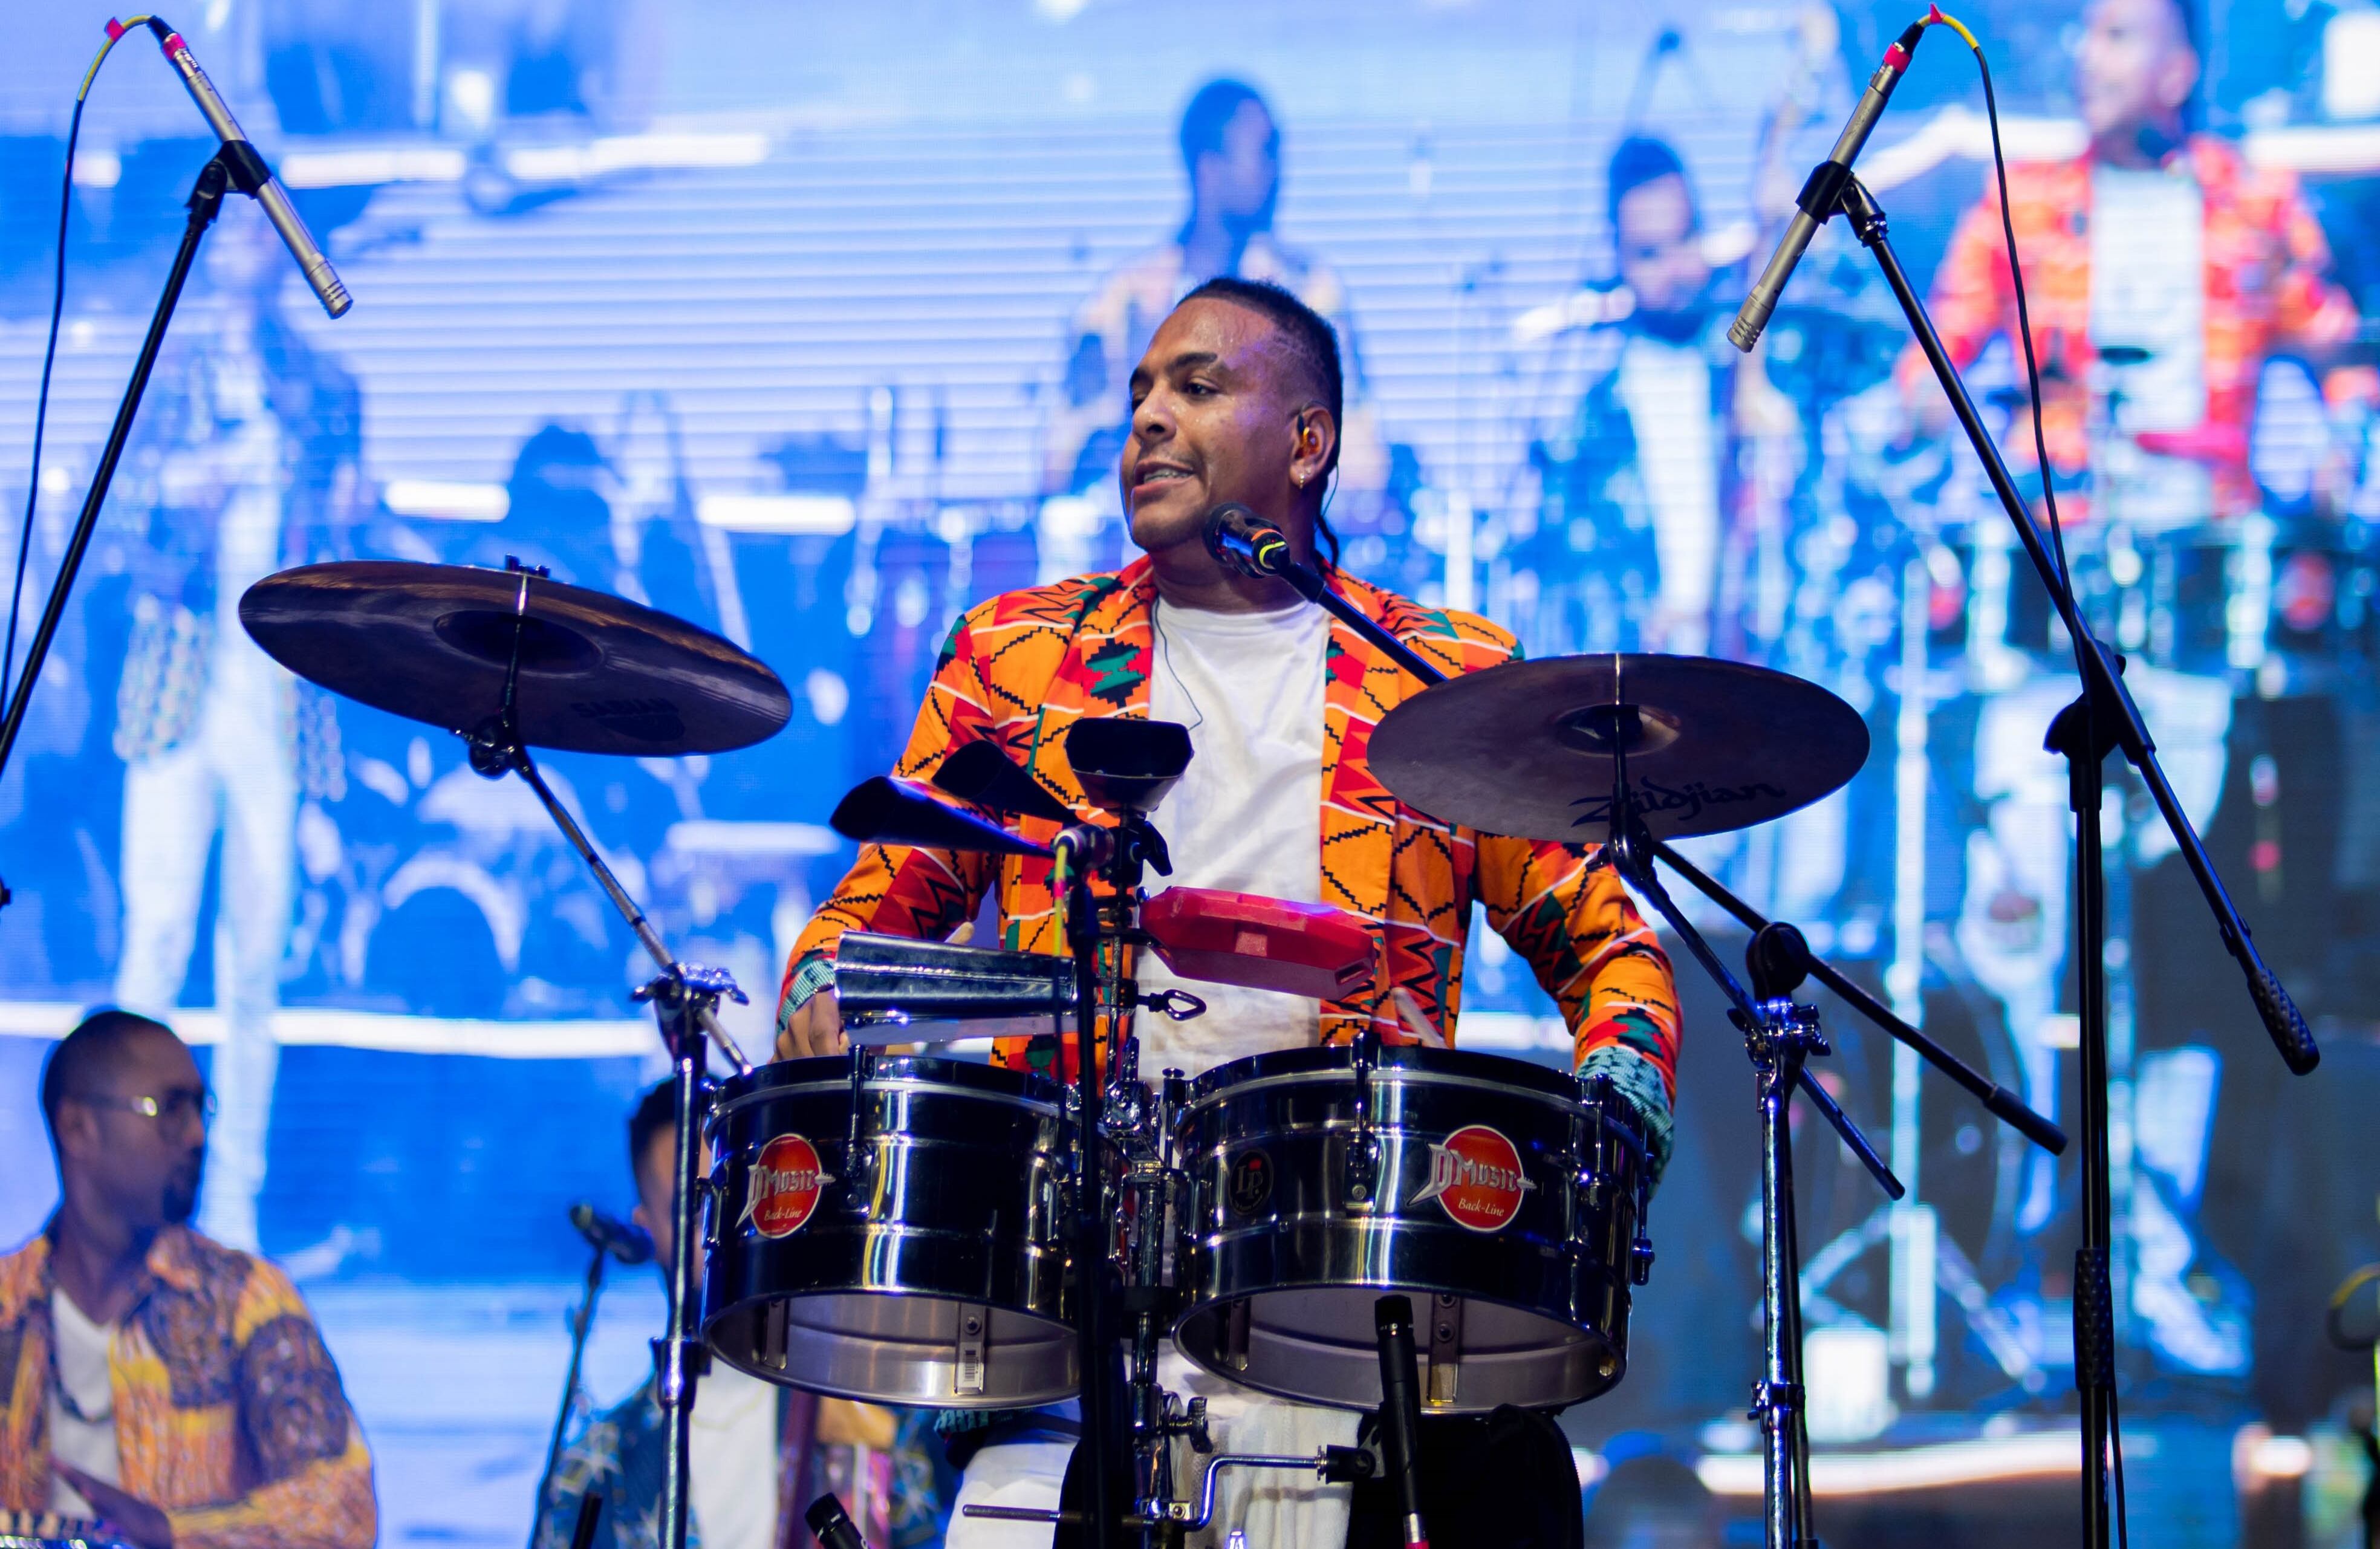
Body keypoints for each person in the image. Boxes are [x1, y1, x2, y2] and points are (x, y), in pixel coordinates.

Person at [778, 277, 1680, 1545]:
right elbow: (886, 900)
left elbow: (1610, 945)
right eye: (1140, 391)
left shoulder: (1443, 681)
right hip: (1067, 1302)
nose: (1147, 418)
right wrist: (822, 978)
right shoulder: (1017, 657)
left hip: (1340, 1295)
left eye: (1197, 388)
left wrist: (1619, 1108)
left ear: (1308, 443)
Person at [1910, 0, 2358, 1377]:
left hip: (2200, 626)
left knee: (2174, 940)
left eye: (2116, 35)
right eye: (2085, 35)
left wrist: (2329, 463)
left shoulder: (2255, 202)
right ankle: (2047, 1243)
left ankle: (2155, 1248)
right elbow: (1930, 380)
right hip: (2048, 615)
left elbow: (2337, 354)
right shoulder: (2019, 206)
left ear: (2177, 63)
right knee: (2025, 930)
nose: (2085, 58)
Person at [111, 203, 362, 1253]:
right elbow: (117, 517)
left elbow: (347, 534)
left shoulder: (321, 387)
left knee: (253, 960)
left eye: (265, 238)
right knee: (156, 940)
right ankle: (123, 1195)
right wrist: (188, 485)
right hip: (176, 681)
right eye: (235, 236)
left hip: (275, 695)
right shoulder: (165, 372)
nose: (246, 253)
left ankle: (232, 1209)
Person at [0, 1010, 377, 1545]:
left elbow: (343, 1506)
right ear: (77, 1127)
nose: (197, 1136)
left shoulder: (245, 1301)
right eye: (169, 1109)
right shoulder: (8, 1302)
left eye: (203, 1109)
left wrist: (171, 1534)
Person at [533, 1082, 946, 1549]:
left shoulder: (870, 1408)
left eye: (734, 1196)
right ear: (647, 1229)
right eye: (692, 1207)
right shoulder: (597, 1471)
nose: (718, 1229)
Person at [1039, 79, 1388, 508]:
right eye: (1262, 152)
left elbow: (1363, 460)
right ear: (1210, 168)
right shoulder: (1125, 303)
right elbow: (1059, 463)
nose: (1277, 171)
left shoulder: (1310, 295)